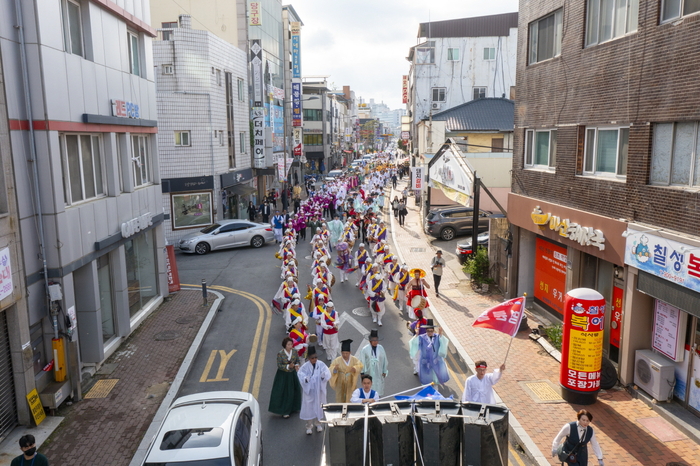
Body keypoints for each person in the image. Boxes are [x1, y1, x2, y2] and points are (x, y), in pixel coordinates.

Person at [298, 346, 331, 435]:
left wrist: (324, 376)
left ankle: (318, 423)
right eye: (312, 358)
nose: (314, 359)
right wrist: (305, 379)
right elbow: (300, 374)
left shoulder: (321, 364)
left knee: (319, 406)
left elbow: (327, 373)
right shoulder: (305, 366)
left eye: (316, 357)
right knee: (309, 407)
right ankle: (309, 426)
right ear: (309, 358)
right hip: (310, 390)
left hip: (319, 389)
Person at [268, 337, 302, 418]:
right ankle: (285, 411)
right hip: (283, 375)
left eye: (291, 344)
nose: (290, 346)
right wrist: (288, 366)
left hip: (292, 374)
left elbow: (297, 361)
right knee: (284, 392)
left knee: (294, 390)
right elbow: (279, 365)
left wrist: (296, 366)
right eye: (288, 344)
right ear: (285, 345)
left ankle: (294, 407)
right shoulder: (280, 353)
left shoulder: (294, 352)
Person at [409, 319, 450, 384]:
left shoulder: (437, 337)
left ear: (433, 330)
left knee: (436, 377)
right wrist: (416, 335)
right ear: (426, 330)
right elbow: (414, 343)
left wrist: (441, 335)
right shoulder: (422, 337)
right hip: (425, 361)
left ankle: (435, 388)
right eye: (428, 331)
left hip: (435, 360)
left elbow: (443, 343)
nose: (430, 333)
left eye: (431, 331)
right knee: (426, 378)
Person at [359, 329, 388, 397]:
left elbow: (384, 359)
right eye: (373, 340)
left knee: (378, 386)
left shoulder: (381, 348)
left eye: (376, 340)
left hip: (379, 371)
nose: (375, 342)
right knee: (369, 387)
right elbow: (361, 361)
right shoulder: (365, 349)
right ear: (370, 341)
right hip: (369, 371)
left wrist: (384, 370)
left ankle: (378, 399)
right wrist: (362, 372)